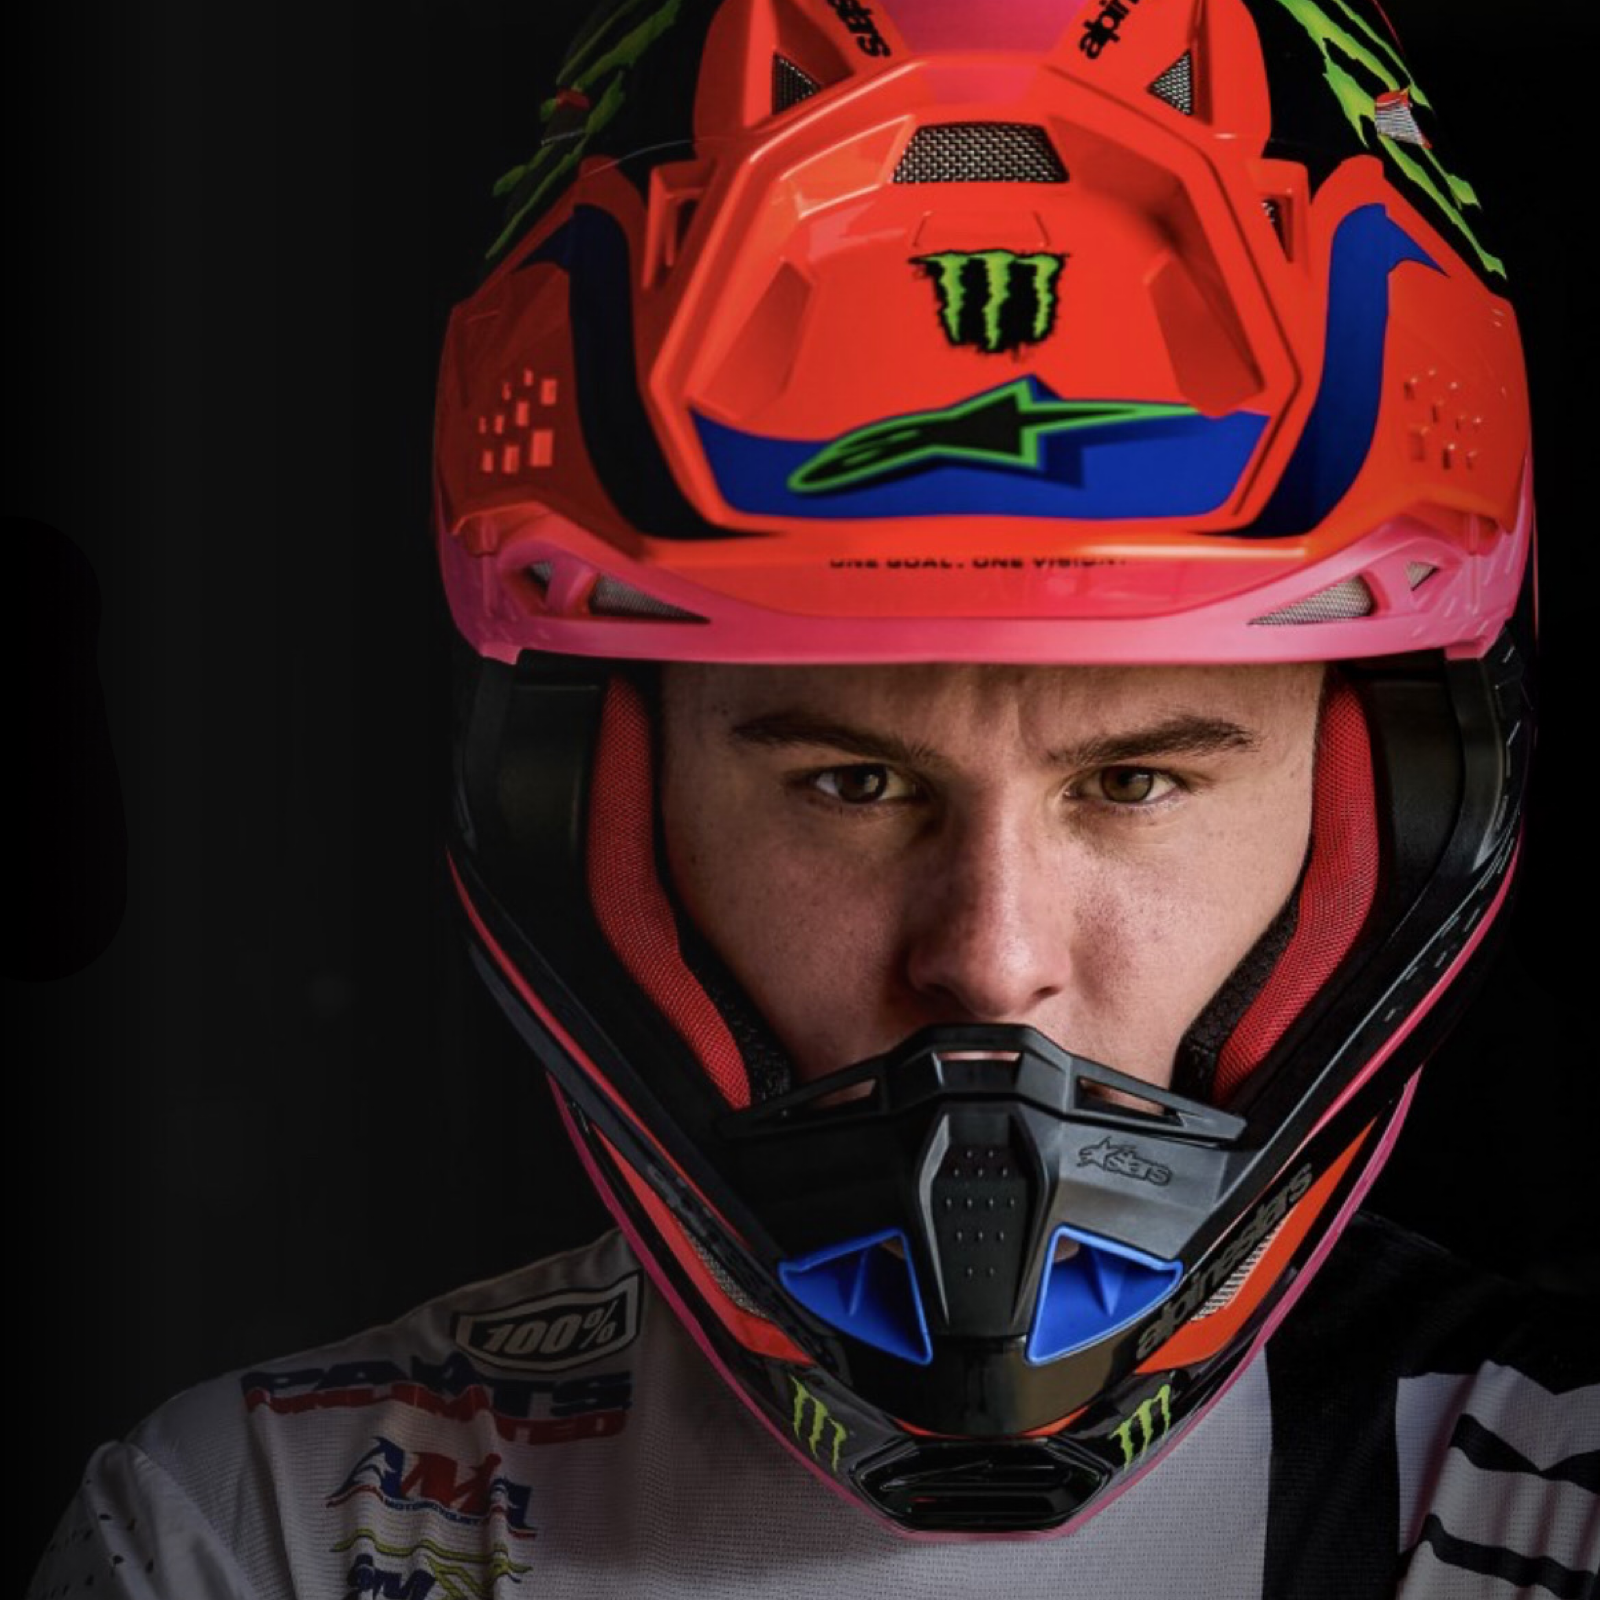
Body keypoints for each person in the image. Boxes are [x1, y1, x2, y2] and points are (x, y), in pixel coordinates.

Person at [29, 0, 1598, 1595]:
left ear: (1382, 813)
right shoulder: (260, 1532)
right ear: (596, 806)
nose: (989, 959)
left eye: (1135, 782)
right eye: (854, 783)